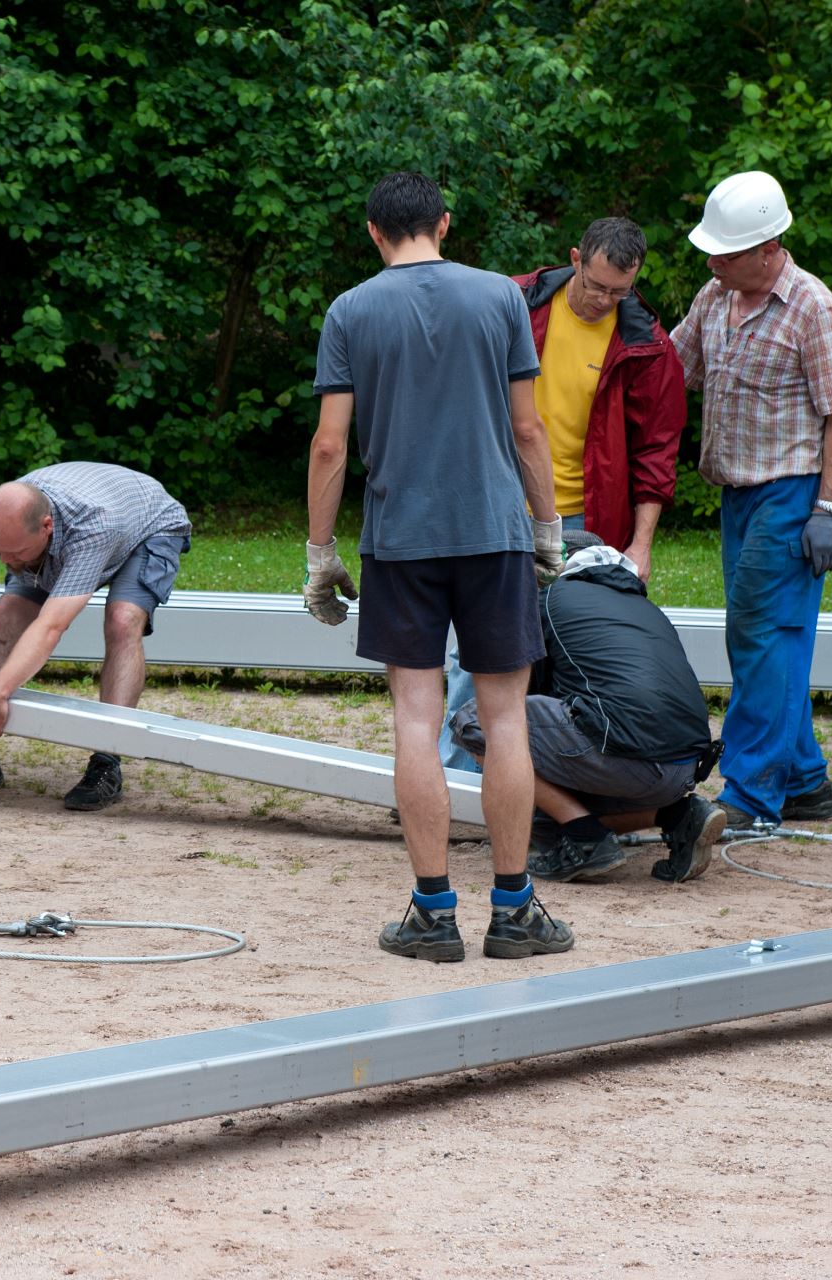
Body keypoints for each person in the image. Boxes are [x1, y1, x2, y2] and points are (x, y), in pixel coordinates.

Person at [303, 170, 572, 963]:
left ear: (372, 231)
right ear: (444, 224)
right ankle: (516, 910)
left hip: (401, 541)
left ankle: (433, 914)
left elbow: (329, 445)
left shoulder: (350, 310)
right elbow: (529, 431)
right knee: (506, 719)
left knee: (417, 720)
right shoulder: (500, 299)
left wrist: (321, 555)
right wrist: (549, 528)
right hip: (493, 534)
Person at [438, 217, 688, 772]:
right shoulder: (513, 304)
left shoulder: (646, 344)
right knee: (471, 650)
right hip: (495, 505)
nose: (604, 300)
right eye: (597, 285)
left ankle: (543, 790)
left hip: (586, 519)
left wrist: (640, 546)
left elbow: (656, 452)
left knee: (569, 654)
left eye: (619, 291)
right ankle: (454, 781)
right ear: (575, 258)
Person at [669, 171, 832, 829]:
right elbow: (673, 371)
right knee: (763, 641)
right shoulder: (715, 297)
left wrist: (825, 511)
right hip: (739, 497)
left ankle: (751, 798)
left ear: (768, 246)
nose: (712, 261)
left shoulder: (815, 310)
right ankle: (805, 781)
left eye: (725, 252)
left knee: (763, 639)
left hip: (791, 493)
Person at [0, 463, 191, 812]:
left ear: (46, 527)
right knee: (6, 615)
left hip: (146, 525)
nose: (6, 561)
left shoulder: (96, 525)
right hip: (75, 527)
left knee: (122, 621)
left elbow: (51, 626)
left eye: (14, 553)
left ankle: (108, 759)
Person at [449, 531, 726, 885]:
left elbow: (518, 700)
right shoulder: (643, 605)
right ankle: (678, 814)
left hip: (627, 753)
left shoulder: (548, 601)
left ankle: (586, 837)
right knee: (543, 820)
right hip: (684, 768)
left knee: (481, 721)